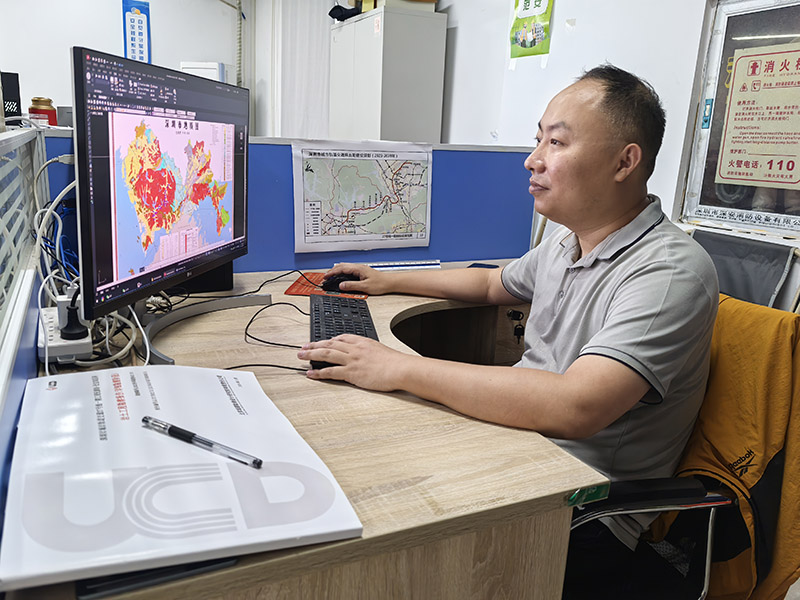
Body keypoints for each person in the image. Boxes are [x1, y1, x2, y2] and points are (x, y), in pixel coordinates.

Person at [298, 64, 719, 597]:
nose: (533, 159)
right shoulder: (568, 241)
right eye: (538, 139)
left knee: (374, 526)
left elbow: (575, 407)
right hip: (518, 447)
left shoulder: (667, 272)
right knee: (355, 461)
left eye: (556, 142)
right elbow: (493, 283)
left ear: (624, 161)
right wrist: (387, 279)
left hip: (579, 506)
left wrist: (399, 368)